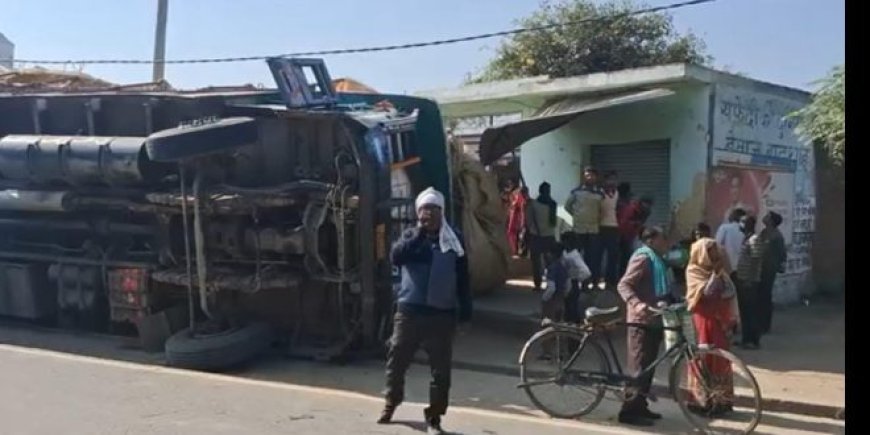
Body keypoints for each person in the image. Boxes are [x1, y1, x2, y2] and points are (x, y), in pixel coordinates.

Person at [380, 187, 472, 434]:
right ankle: (391, 401)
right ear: (417, 212)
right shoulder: (410, 236)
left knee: (441, 371)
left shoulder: (455, 240)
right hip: (410, 311)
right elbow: (396, 257)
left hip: (441, 314)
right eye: (423, 209)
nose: (428, 214)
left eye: (433, 209)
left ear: (442, 212)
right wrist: (419, 234)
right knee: (397, 358)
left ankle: (434, 416)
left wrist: (466, 314)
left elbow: (463, 278)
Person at [616, 226, 671, 427]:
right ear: (651, 240)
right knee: (637, 368)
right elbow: (624, 285)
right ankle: (628, 411)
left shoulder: (658, 260)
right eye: (663, 239)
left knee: (648, 368)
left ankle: (641, 405)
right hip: (641, 320)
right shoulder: (643, 258)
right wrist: (637, 304)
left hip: (655, 319)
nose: (666, 243)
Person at [684, 238, 739, 415]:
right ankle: (701, 401)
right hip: (702, 321)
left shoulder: (719, 271)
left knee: (720, 360)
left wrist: (719, 274)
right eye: (711, 251)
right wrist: (715, 275)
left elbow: (729, 291)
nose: (715, 254)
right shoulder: (694, 271)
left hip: (718, 322)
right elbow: (706, 293)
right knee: (702, 360)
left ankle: (721, 401)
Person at [564, 166, 604, 291]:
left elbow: (602, 211)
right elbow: (567, 206)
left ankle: (594, 283)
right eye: (587, 175)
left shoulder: (599, 193)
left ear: (596, 177)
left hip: (593, 230)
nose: (589, 177)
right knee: (577, 257)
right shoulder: (575, 192)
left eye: (591, 175)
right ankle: (578, 283)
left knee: (593, 257)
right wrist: (577, 216)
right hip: (579, 229)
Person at [734, 215, 763, 350]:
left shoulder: (754, 239)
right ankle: (746, 339)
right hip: (743, 279)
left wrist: (750, 280)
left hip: (749, 282)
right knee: (744, 311)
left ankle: (753, 340)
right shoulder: (746, 238)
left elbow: (756, 261)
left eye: (743, 222)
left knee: (751, 311)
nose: (740, 224)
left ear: (749, 224)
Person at [525, 182, 558, 291]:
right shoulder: (553, 204)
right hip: (549, 236)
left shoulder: (533, 204)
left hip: (536, 236)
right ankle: (551, 283)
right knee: (550, 262)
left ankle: (537, 284)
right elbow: (554, 223)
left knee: (536, 263)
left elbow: (528, 221)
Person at [759, 211, 787, 335]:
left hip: (769, 269)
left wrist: (779, 266)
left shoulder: (776, 236)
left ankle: (765, 325)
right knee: (760, 296)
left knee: (765, 296)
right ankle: (760, 323)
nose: (765, 217)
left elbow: (782, 254)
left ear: (771, 221)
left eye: (768, 216)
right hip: (760, 268)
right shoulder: (764, 233)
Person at [617, 194, 654, 276]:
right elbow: (624, 222)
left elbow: (641, 223)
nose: (647, 207)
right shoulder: (632, 209)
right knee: (625, 257)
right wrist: (635, 224)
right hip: (624, 235)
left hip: (633, 235)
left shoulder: (645, 211)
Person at [599, 171, 621, 289]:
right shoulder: (600, 194)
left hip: (614, 227)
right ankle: (595, 281)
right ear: (604, 181)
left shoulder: (617, 194)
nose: (612, 182)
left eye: (614, 180)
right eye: (610, 180)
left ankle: (610, 281)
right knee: (597, 255)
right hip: (601, 227)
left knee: (613, 256)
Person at [715, 208, 747, 278]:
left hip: (726, 267)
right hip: (741, 269)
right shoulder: (746, 232)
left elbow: (716, 246)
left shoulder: (724, 228)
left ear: (734, 216)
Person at [507, 186, 529, 257]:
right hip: (516, 219)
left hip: (515, 220)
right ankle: (515, 250)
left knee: (512, 234)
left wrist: (522, 223)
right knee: (515, 235)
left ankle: (514, 250)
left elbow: (522, 211)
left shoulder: (519, 199)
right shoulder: (521, 198)